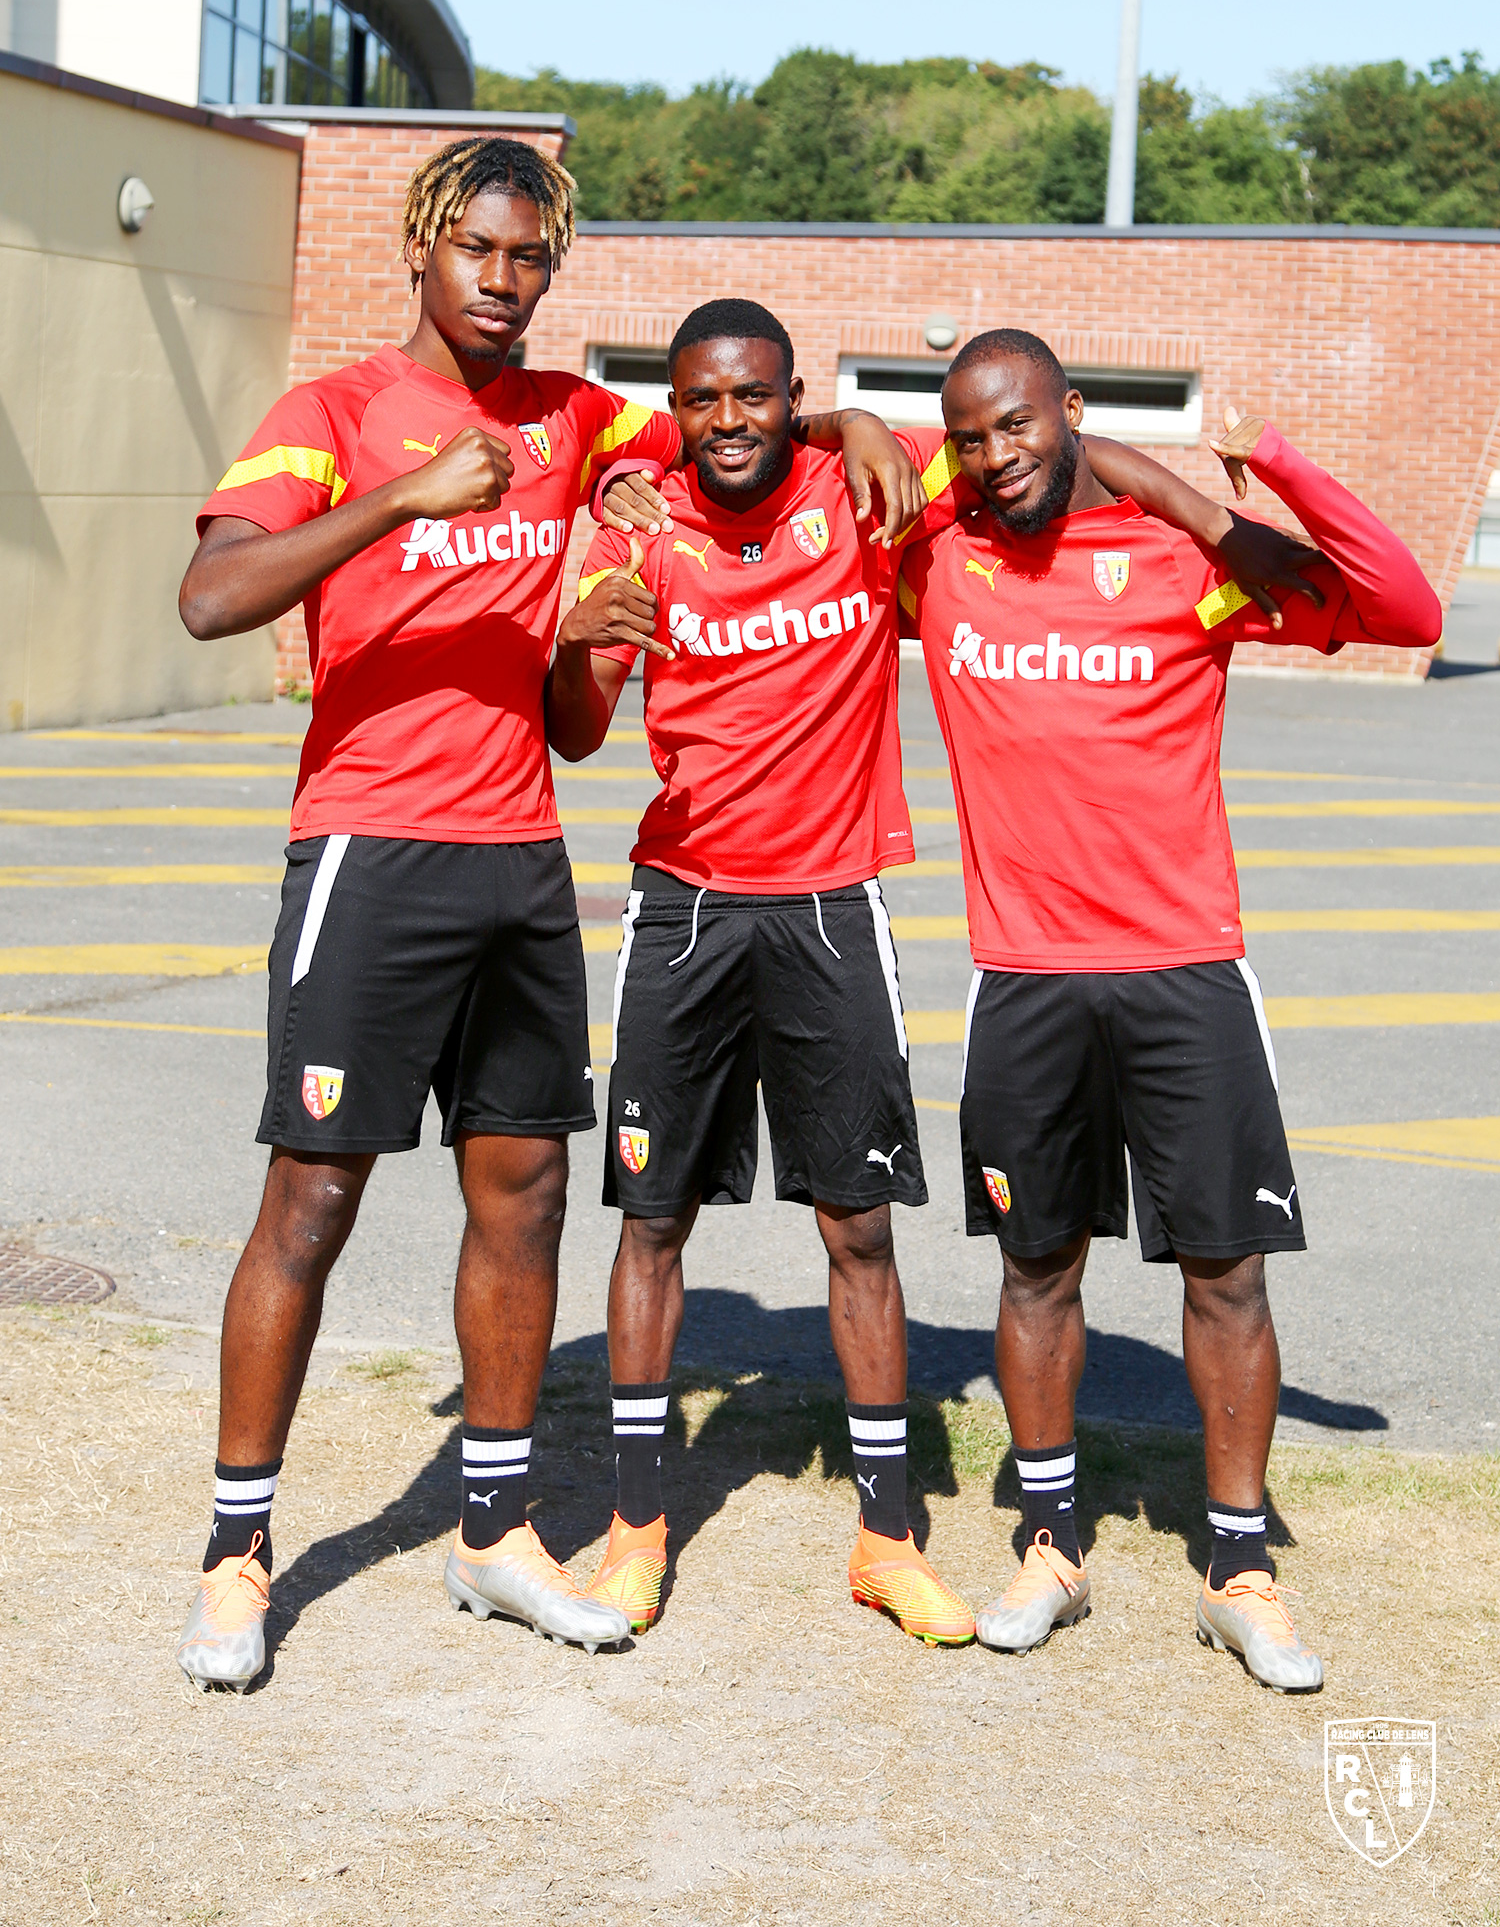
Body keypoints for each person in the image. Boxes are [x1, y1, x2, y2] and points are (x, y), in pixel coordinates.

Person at [171, 141, 916, 1691]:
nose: (506, 283)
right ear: (426, 248)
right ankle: (237, 1554)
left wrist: (843, 419)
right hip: (369, 852)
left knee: (523, 1197)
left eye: (532, 261)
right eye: (483, 253)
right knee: (310, 1201)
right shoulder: (330, 417)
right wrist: (406, 495)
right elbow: (214, 597)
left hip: (520, 863)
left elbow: (735, 427)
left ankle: (495, 1530)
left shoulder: (579, 418)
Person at [545, 297, 1311, 1647]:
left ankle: (888, 1535)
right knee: (651, 1219)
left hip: (837, 904)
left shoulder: (868, 483)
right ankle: (633, 1526)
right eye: (703, 400)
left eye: (761, 396)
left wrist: (851, 422)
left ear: (796, 398)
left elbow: (1023, 450)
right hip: (683, 908)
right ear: (678, 407)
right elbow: (577, 731)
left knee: (859, 1228)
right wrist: (568, 636)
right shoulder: (641, 521)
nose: (730, 419)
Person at [896, 328, 1441, 1689]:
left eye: (1019, 425)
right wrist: (892, 438)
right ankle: (1049, 1538)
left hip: (1187, 973)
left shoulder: (1190, 569)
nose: (992, 454)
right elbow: (843, 459)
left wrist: (1258, 472)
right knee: (1037, 1268)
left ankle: (1242, 1563)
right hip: (1023, 979)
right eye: (967, 435)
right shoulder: (942, 563)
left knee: (1226, 1270)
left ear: (1071, 413)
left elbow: (1406, 609)